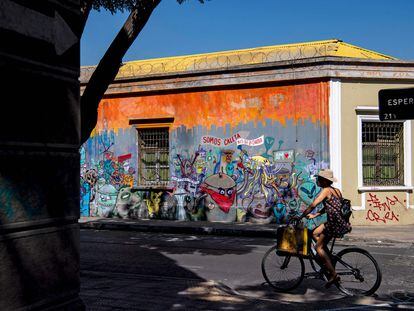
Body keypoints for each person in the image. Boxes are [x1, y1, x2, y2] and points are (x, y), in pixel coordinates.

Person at [296, 169, 351, 288]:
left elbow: (313, 205)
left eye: (318, 179)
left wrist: (302, 215)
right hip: (337, 222)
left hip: (333, 224)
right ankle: (326, 256)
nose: (316, 180)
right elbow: (332, 206)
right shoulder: (337, 191)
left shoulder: (326, 191)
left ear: (324, 181)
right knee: (315, 233)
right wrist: (316, 215)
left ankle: (333, 275)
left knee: (318, 247)